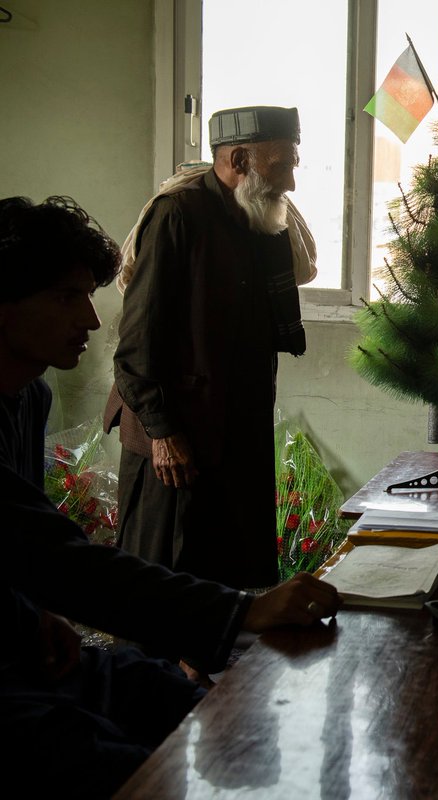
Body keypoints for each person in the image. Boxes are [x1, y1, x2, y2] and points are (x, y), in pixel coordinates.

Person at [0, 195, 341, 797]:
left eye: (89, 294)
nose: (91, 319)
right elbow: (57, 557)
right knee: (128, 767)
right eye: (64, 297)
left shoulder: (29, 397)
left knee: (181, 697)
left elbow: (19, 548)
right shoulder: (179, 217)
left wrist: (32, 616)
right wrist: (242, 613)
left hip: (22, 644)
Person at [105, 105, 307, 590]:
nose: (290, 184)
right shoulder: (178, 216)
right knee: (164, 578)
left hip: (237, 429)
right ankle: (154, 668)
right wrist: (161, 430)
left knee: (226, 572)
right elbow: (136, 341)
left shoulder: (259, 217)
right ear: (238, 159)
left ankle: (205, 666)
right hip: (176, 436)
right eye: (280, 167)